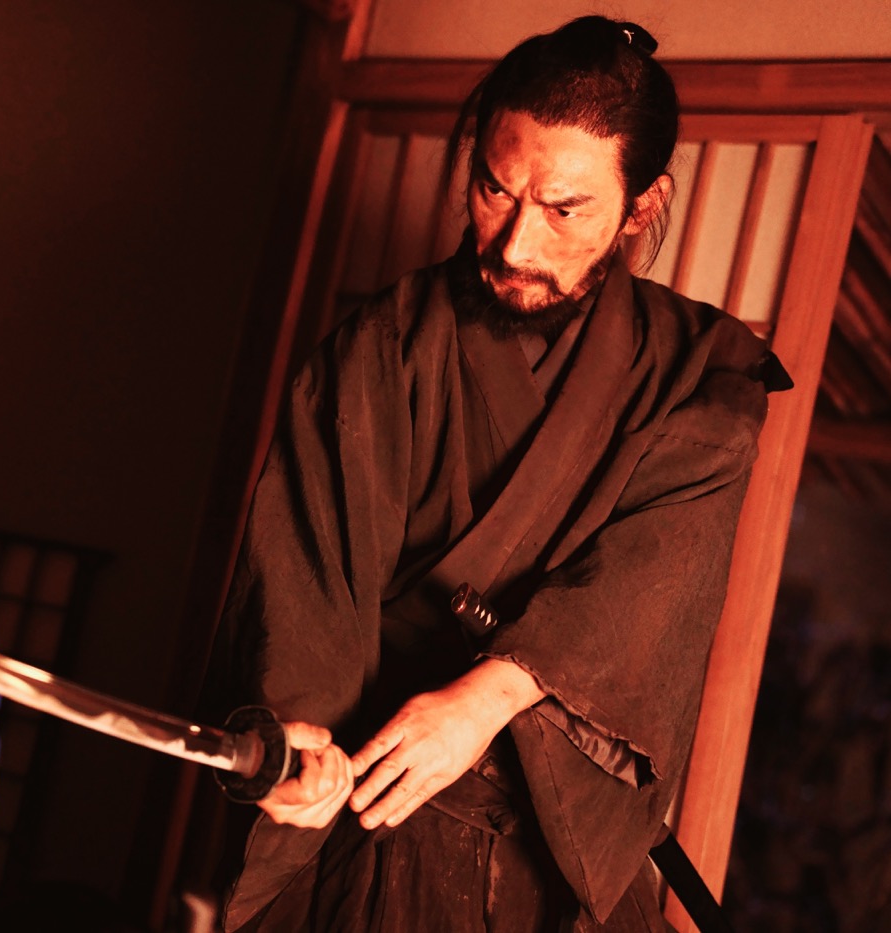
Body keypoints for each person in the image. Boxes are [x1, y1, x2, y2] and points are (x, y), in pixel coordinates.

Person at [204, 15, 789, 932]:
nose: (515, 244)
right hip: (379, 808)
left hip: (551, 851)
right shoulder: (382, 348)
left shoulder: (701, 377)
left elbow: (649, 587)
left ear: (642, 206)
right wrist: (294, 741)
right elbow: (305, 578)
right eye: (494, 189)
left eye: (564, 209)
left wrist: (490, 694)